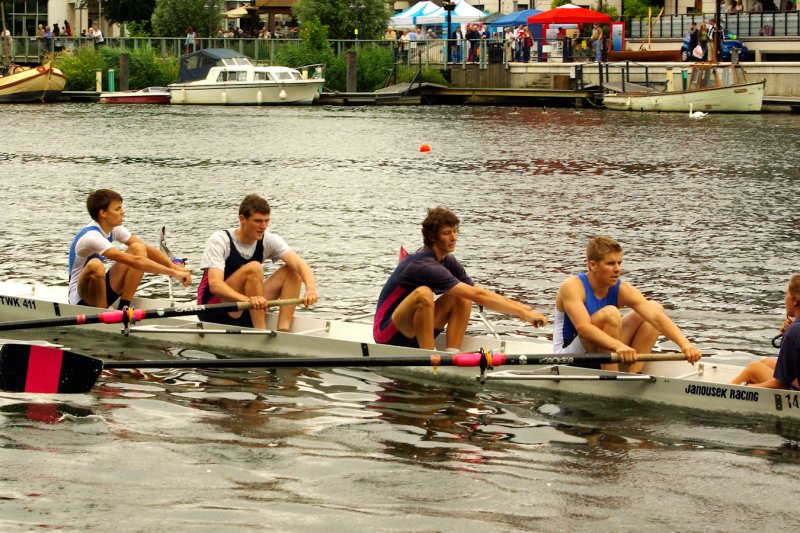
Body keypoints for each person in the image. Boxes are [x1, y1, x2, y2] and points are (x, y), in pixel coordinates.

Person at [373, 207, 547, 351]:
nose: (454, 237)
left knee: (463, 292)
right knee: (423, 293)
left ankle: (452, 353)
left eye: (456, 231)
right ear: (433, 237)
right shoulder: (423, 265)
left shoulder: (447, 260)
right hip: (388, 334)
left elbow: (475, 292)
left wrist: (525, 310)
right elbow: (479, 296)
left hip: (414, 330)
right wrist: (523, 314)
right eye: (447, 233)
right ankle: (429, 356)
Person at [553, 236, 701, 373]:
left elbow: (656, 317)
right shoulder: (573, 286)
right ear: (593, 265)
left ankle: (633, 374)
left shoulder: (622, 289)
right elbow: (583, 329)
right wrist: (619, 346)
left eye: (619, 262)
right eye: (610, 263)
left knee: (654, 307)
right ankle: (611, 378)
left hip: (602, 350)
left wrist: (685, 344)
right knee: (611, 314)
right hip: (569, 355)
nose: (617, 269)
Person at [197, 194, 318, 331]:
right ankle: (261, 331)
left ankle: (284, 330)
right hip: (215, 309)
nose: (263, 226)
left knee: (293, 271)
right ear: (242, 219)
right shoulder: (220, 240)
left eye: (267, 221)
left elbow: (301, 265)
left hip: (249, 306)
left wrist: (310, 289)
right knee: (254, 268)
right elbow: (215, 285)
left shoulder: (269, 240)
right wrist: (246, 300)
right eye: (258, 221)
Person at [68, 189, 192, 309]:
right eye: (117, 209)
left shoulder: (114, 228)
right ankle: (103, 312)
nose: (123, 212)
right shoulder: (90, 237)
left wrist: (175, 267)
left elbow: (148, 250)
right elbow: (134, 261)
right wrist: (174, 273)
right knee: (95, 265)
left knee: (139, 248)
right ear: (103, 213)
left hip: (100, 291)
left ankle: (124, 306)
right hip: (80, 299)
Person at [730, 275, 800, 389]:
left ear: (795, 301)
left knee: (753, 369)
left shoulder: (794, 331)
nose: (785, 298)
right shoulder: (795, 329)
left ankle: (727, 391)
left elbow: (779, 384)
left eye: (787, 294)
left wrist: (749, 388)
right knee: (766, 362)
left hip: (794, 395)